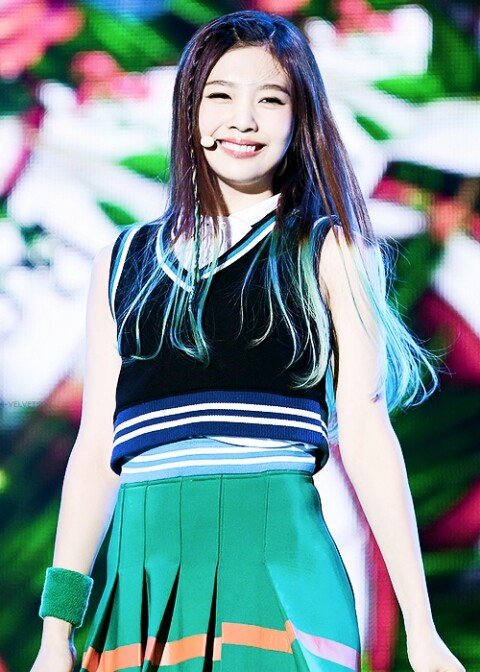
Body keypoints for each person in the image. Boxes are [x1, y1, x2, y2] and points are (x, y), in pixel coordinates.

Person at [31, 10, 466, 672]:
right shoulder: (121, 264)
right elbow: (95, 452)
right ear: (188, 110)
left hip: (274, 554)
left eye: (271, 100)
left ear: (301, 119)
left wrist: (422, 630)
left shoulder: (327, 252)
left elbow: (368, 433)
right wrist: (54, 632)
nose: (243, 120)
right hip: (142, 568)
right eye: (221, 96)